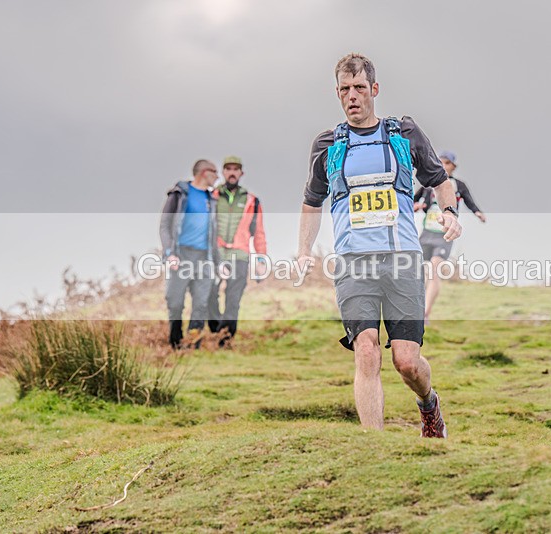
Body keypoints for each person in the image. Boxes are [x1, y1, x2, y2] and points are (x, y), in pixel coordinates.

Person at [297, 53, 462, 438]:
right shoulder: (327, 144)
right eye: (344, 90)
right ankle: (377, 445)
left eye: (358, 88)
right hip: (354, 263)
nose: (351, 96)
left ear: (374, 89)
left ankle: (429, 404)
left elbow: (439, 179)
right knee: (367, 349)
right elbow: (311, 200)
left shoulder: (403, 133)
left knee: (406, 362)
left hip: (403, 260)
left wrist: (450, 212)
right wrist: (305, 249)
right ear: (337, 93)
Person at [414, 151, 486, 323]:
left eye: (447, 163)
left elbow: (469, 201)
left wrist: (478, 213)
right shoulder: (427, 185)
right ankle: (414, 310)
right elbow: (411, 201)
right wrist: (415, 205)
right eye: (441, 162)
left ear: (453, 166)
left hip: (444, 235)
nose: (444, 166)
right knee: (417, 272)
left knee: (434, 271)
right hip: (426, 233)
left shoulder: (459, 185)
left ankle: (425, 314)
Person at [160, 160, 221, 349]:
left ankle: (193, 343)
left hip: (204, 257)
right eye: (214, 172)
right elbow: (165, 226)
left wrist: (219, 264)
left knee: (201, 303)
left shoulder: (211, 200)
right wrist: (170, 253)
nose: (218, 177)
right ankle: (176, 342)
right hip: (181, 255)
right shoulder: (180, 194)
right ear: (203, 172)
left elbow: (214, 234)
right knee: (174, 300)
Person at [207, 156, 268, 346]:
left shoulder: (252, 201)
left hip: (240, 255)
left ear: (241, 173)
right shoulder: (211, 197)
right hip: (215, 253)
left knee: (233, 299)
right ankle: (216, 329)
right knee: (209, 292)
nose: (232, 172)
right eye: (228, 169)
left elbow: (258, 233)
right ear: (223, 172)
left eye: (236, 169)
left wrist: (261, 261)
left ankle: (225, 339)